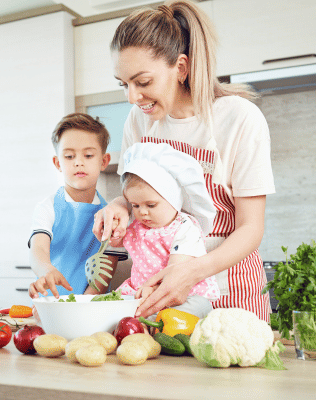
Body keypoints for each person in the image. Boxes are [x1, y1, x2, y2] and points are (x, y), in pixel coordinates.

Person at [93, 0, 275, 322]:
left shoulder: (238, 118)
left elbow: (251, 228)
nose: (132, 97)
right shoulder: (139, 120)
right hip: (159, 293)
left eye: (143, 82)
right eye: (124, 84)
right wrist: (120, 206)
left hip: (228, 291)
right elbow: (132, 191)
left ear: (181, 67)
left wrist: (190, 272)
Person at [28, 113, 127, 299]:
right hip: (50, 304)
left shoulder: (112, 217)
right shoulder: (47, 207)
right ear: (58, 163)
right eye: (69, 156)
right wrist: (47, 269)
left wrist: (82, 305)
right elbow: (38, 250)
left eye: (88, 155)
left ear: (104, 161)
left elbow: (104, 274)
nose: (78, 162)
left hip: (89, 306)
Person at [115, 142, 219, 319]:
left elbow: (176, 269)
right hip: (143, 293)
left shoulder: (185, 227)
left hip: (184, 295)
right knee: (112, 310)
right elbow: (117, 243)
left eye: (151, 205)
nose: (142, 212)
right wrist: (114, 233)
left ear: (174, 199)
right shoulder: (138, 227)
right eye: (135, 205)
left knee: (186, 311)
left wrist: (153, 288)